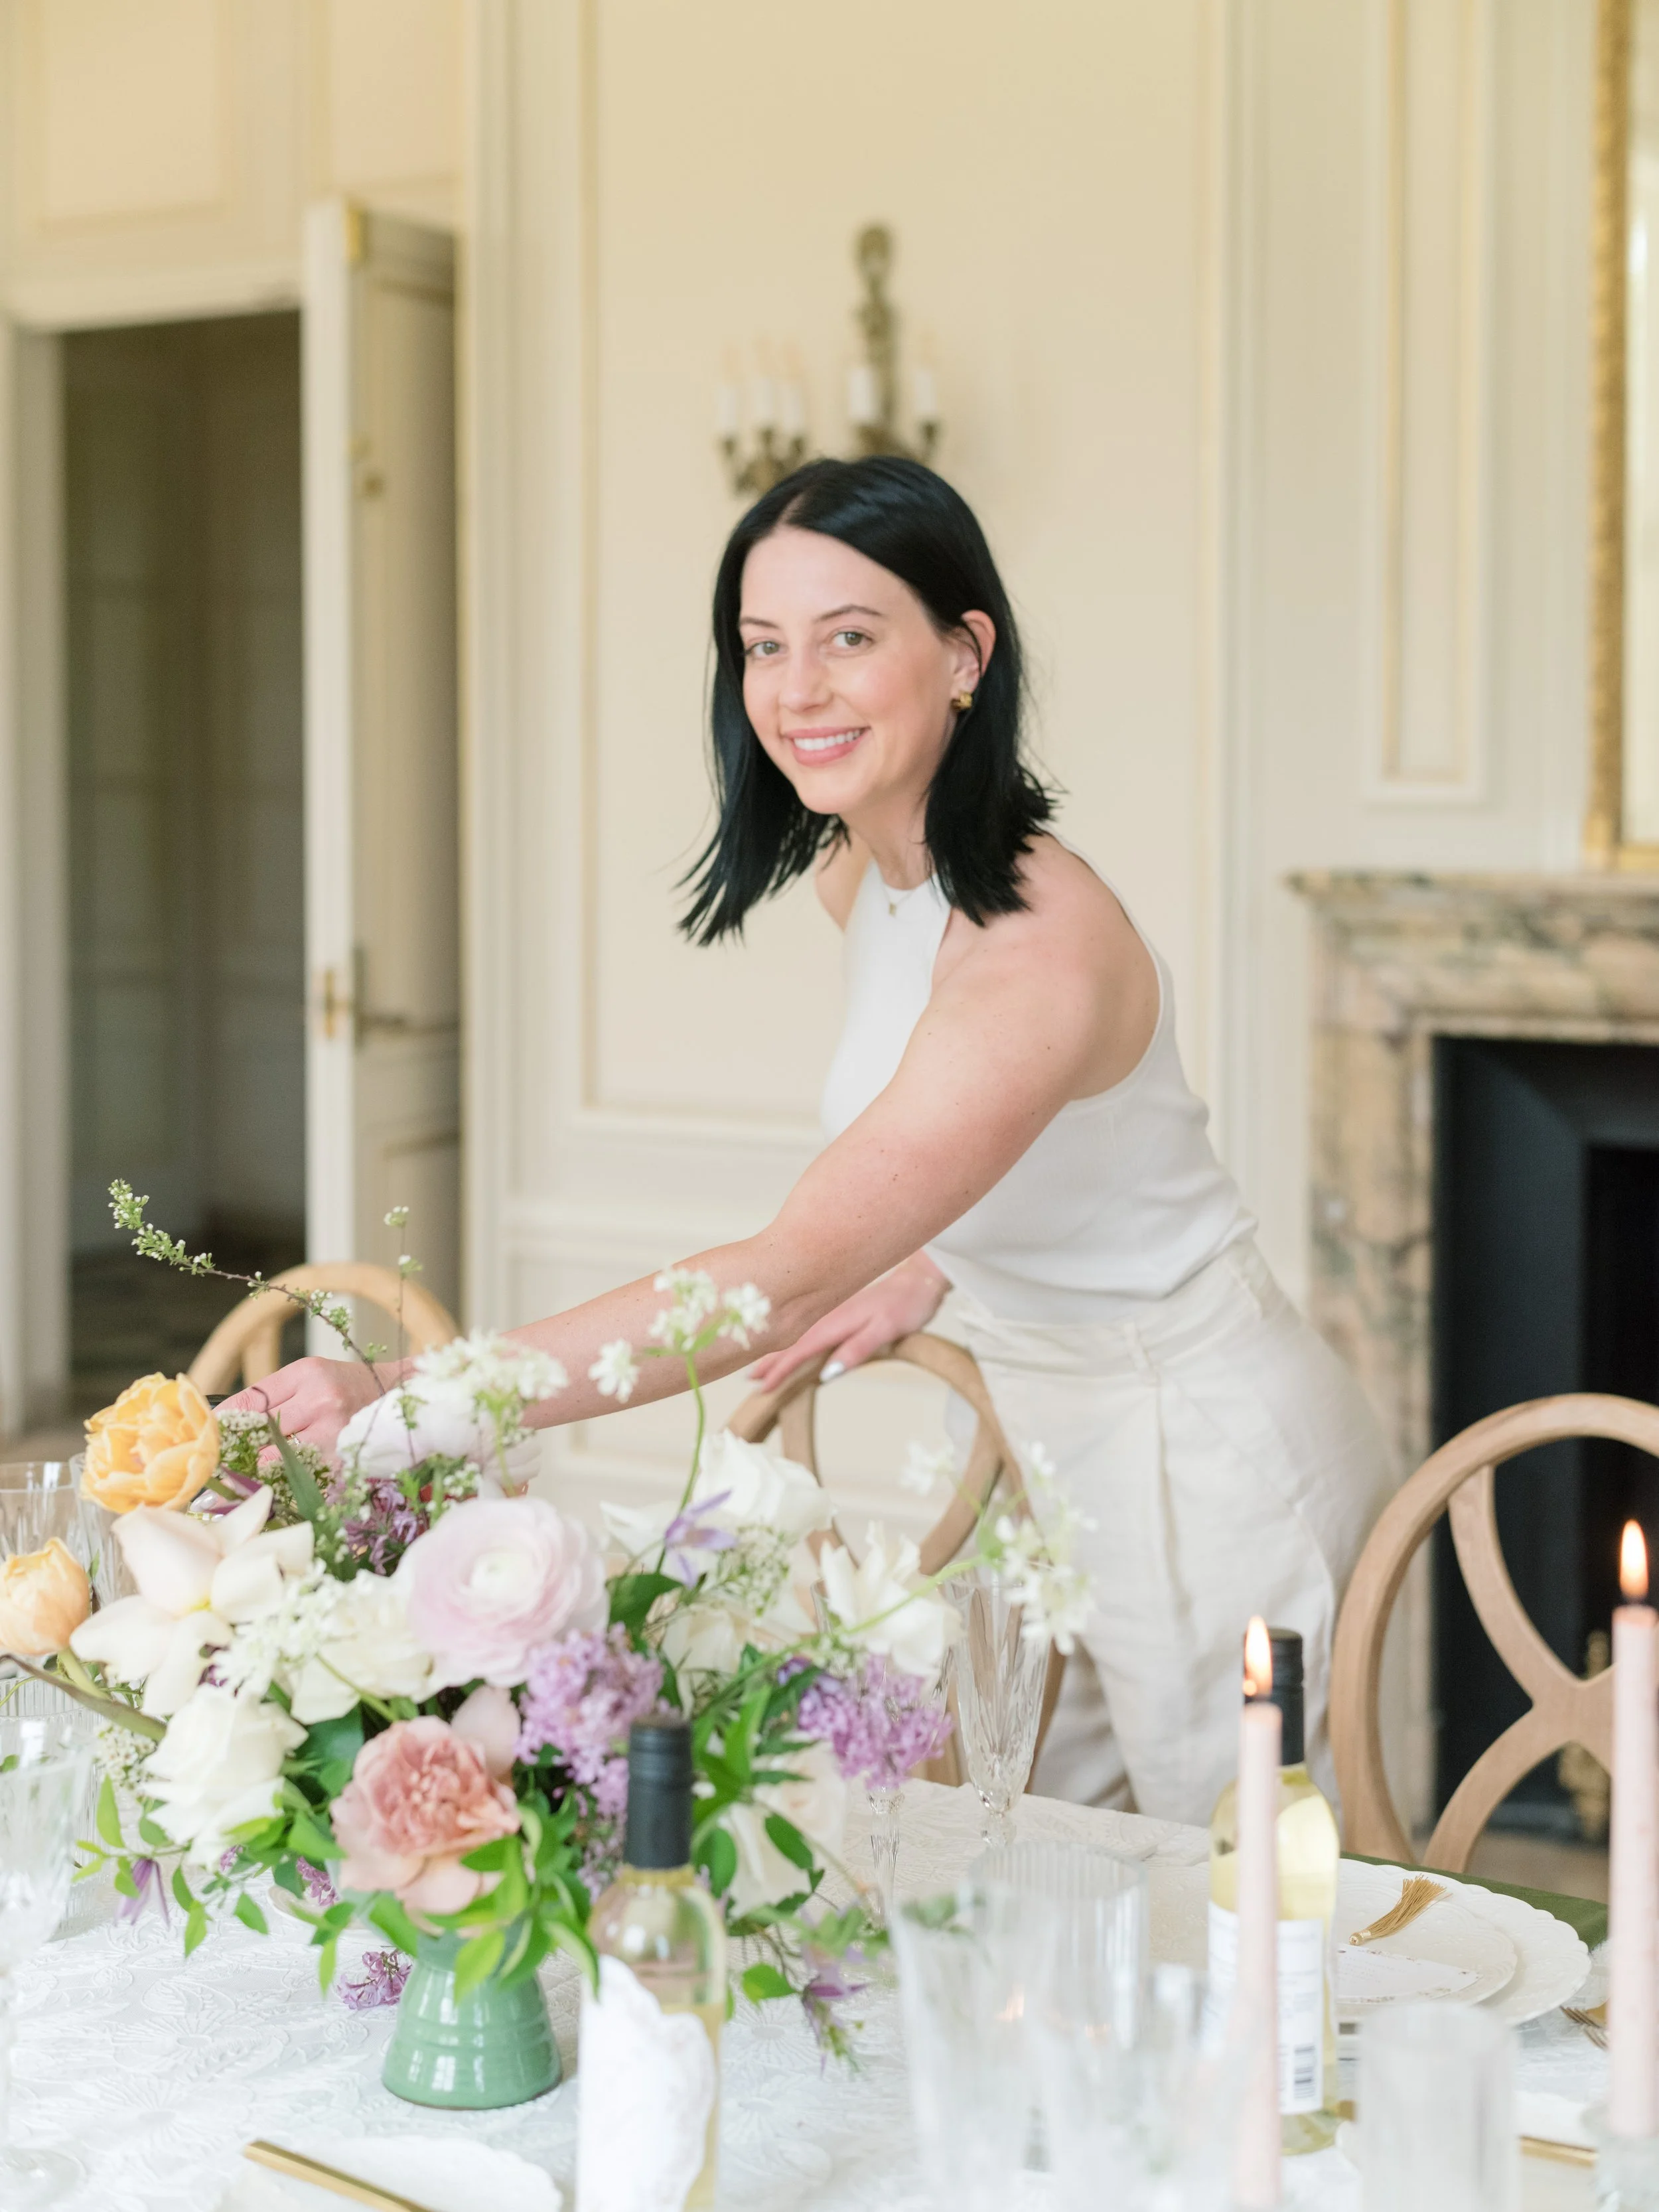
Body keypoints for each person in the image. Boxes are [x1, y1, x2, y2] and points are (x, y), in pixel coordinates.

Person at [225, 456, 1392, 1826]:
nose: (794, 690)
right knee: (1035, 1857)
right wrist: (929, 1258)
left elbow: (778, 1282)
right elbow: (1027, 1136)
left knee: (1246, 1896)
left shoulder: (1036, 955)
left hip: (1192, 1449)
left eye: (848, 638)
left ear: (964, 654)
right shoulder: (863, 877)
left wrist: (406, 1397)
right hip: (1036, 1427)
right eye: (763, 646)